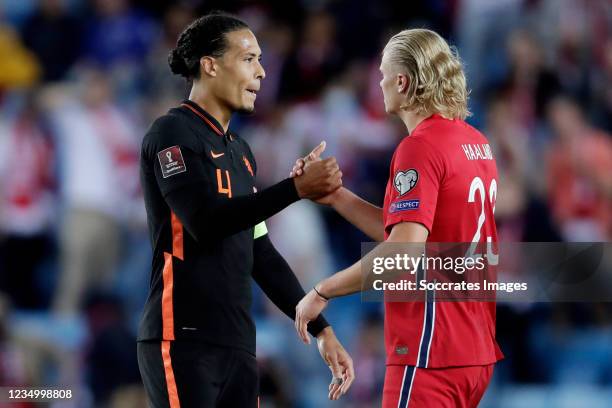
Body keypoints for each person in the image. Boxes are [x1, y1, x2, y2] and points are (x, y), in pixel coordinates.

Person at [137, 12, 353, 407]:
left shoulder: (242, 153)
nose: (263, 72)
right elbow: (205, 222)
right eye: (249, 59)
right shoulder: (171, 133)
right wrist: (295, 189)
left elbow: (262, 254)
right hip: (181, 338)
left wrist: (321, 329)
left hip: (238, 345)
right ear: (210, 64)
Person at [292, 28, 504, 407]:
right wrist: (338, 197)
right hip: (473, 351)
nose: (380, 83)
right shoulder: (476, 143)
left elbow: (403, 253)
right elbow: (413, 239)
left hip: (429, 350)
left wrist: (322, 290)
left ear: (402, 81)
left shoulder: (418, 148)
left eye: (382, 74)